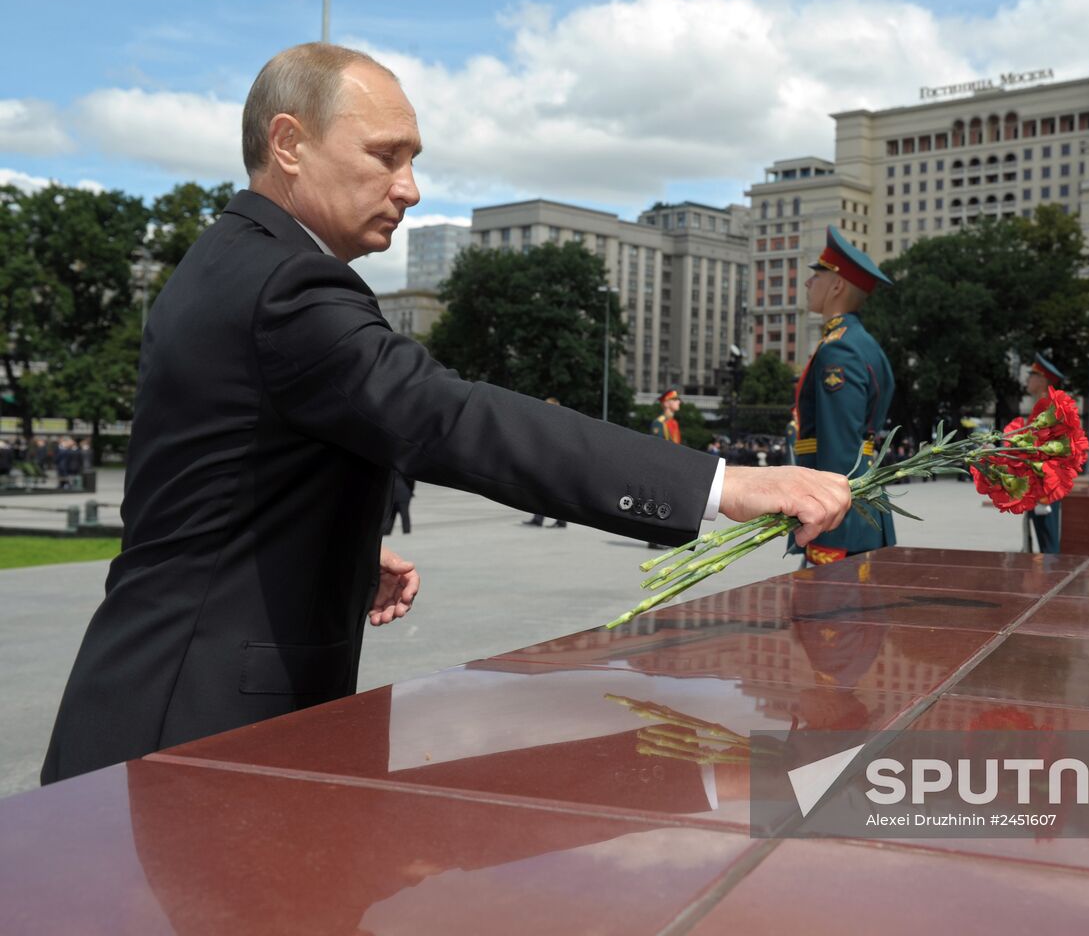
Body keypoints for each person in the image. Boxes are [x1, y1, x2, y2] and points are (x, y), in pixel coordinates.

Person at [41, 43, 852, 785]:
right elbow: (446, 418)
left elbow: (212, 482)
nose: (409, 187)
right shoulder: (287, 286)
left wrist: (330, 545)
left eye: (413, 159)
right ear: (288, 143)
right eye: (384, 156)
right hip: (192, 731)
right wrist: (723, 485)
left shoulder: (230, 259)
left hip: (155, 700)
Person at [790, 226, 896, 566]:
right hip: (857, 507)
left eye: (816, 276)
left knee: (831, 616)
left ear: (837, 284)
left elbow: (840, 447)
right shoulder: (858, 342)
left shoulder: (841, 351)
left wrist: (828, 528)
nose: (808, 284)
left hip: (842, 520)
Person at [1023, 353, 1066, 553]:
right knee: (1041, 540)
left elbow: (1050, 452)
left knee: (1048, 544)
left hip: (1045, 486)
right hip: (1037, 483)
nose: (1027, 380)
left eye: (1031, 375)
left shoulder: (1047, 412)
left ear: (1042, 380)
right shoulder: (1040, 410)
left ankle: (1052, 580)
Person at [645, 388, 683, 548]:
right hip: (662, 470)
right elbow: (657, 450)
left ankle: (663, 537)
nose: (678, 402)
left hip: (673, 468)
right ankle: (654, 539)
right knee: (659, 502)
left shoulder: (673, 423)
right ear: (667, 403)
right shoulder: (659, 423)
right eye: (675, 400)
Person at [524, 397, 567, 528]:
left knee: (547, 491)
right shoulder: (553, 421)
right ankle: (556, 520)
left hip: (554, 463)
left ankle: (543, 519)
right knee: (547, 492)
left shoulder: (557, 422)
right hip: (549, 461)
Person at [382, 469, 415, 535]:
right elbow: (411, 480)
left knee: (391, 514)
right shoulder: (404, 467)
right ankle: (406, 531)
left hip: (392, 493)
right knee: (404, 514)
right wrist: (410, 490)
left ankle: (386, 532)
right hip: (404, 492)